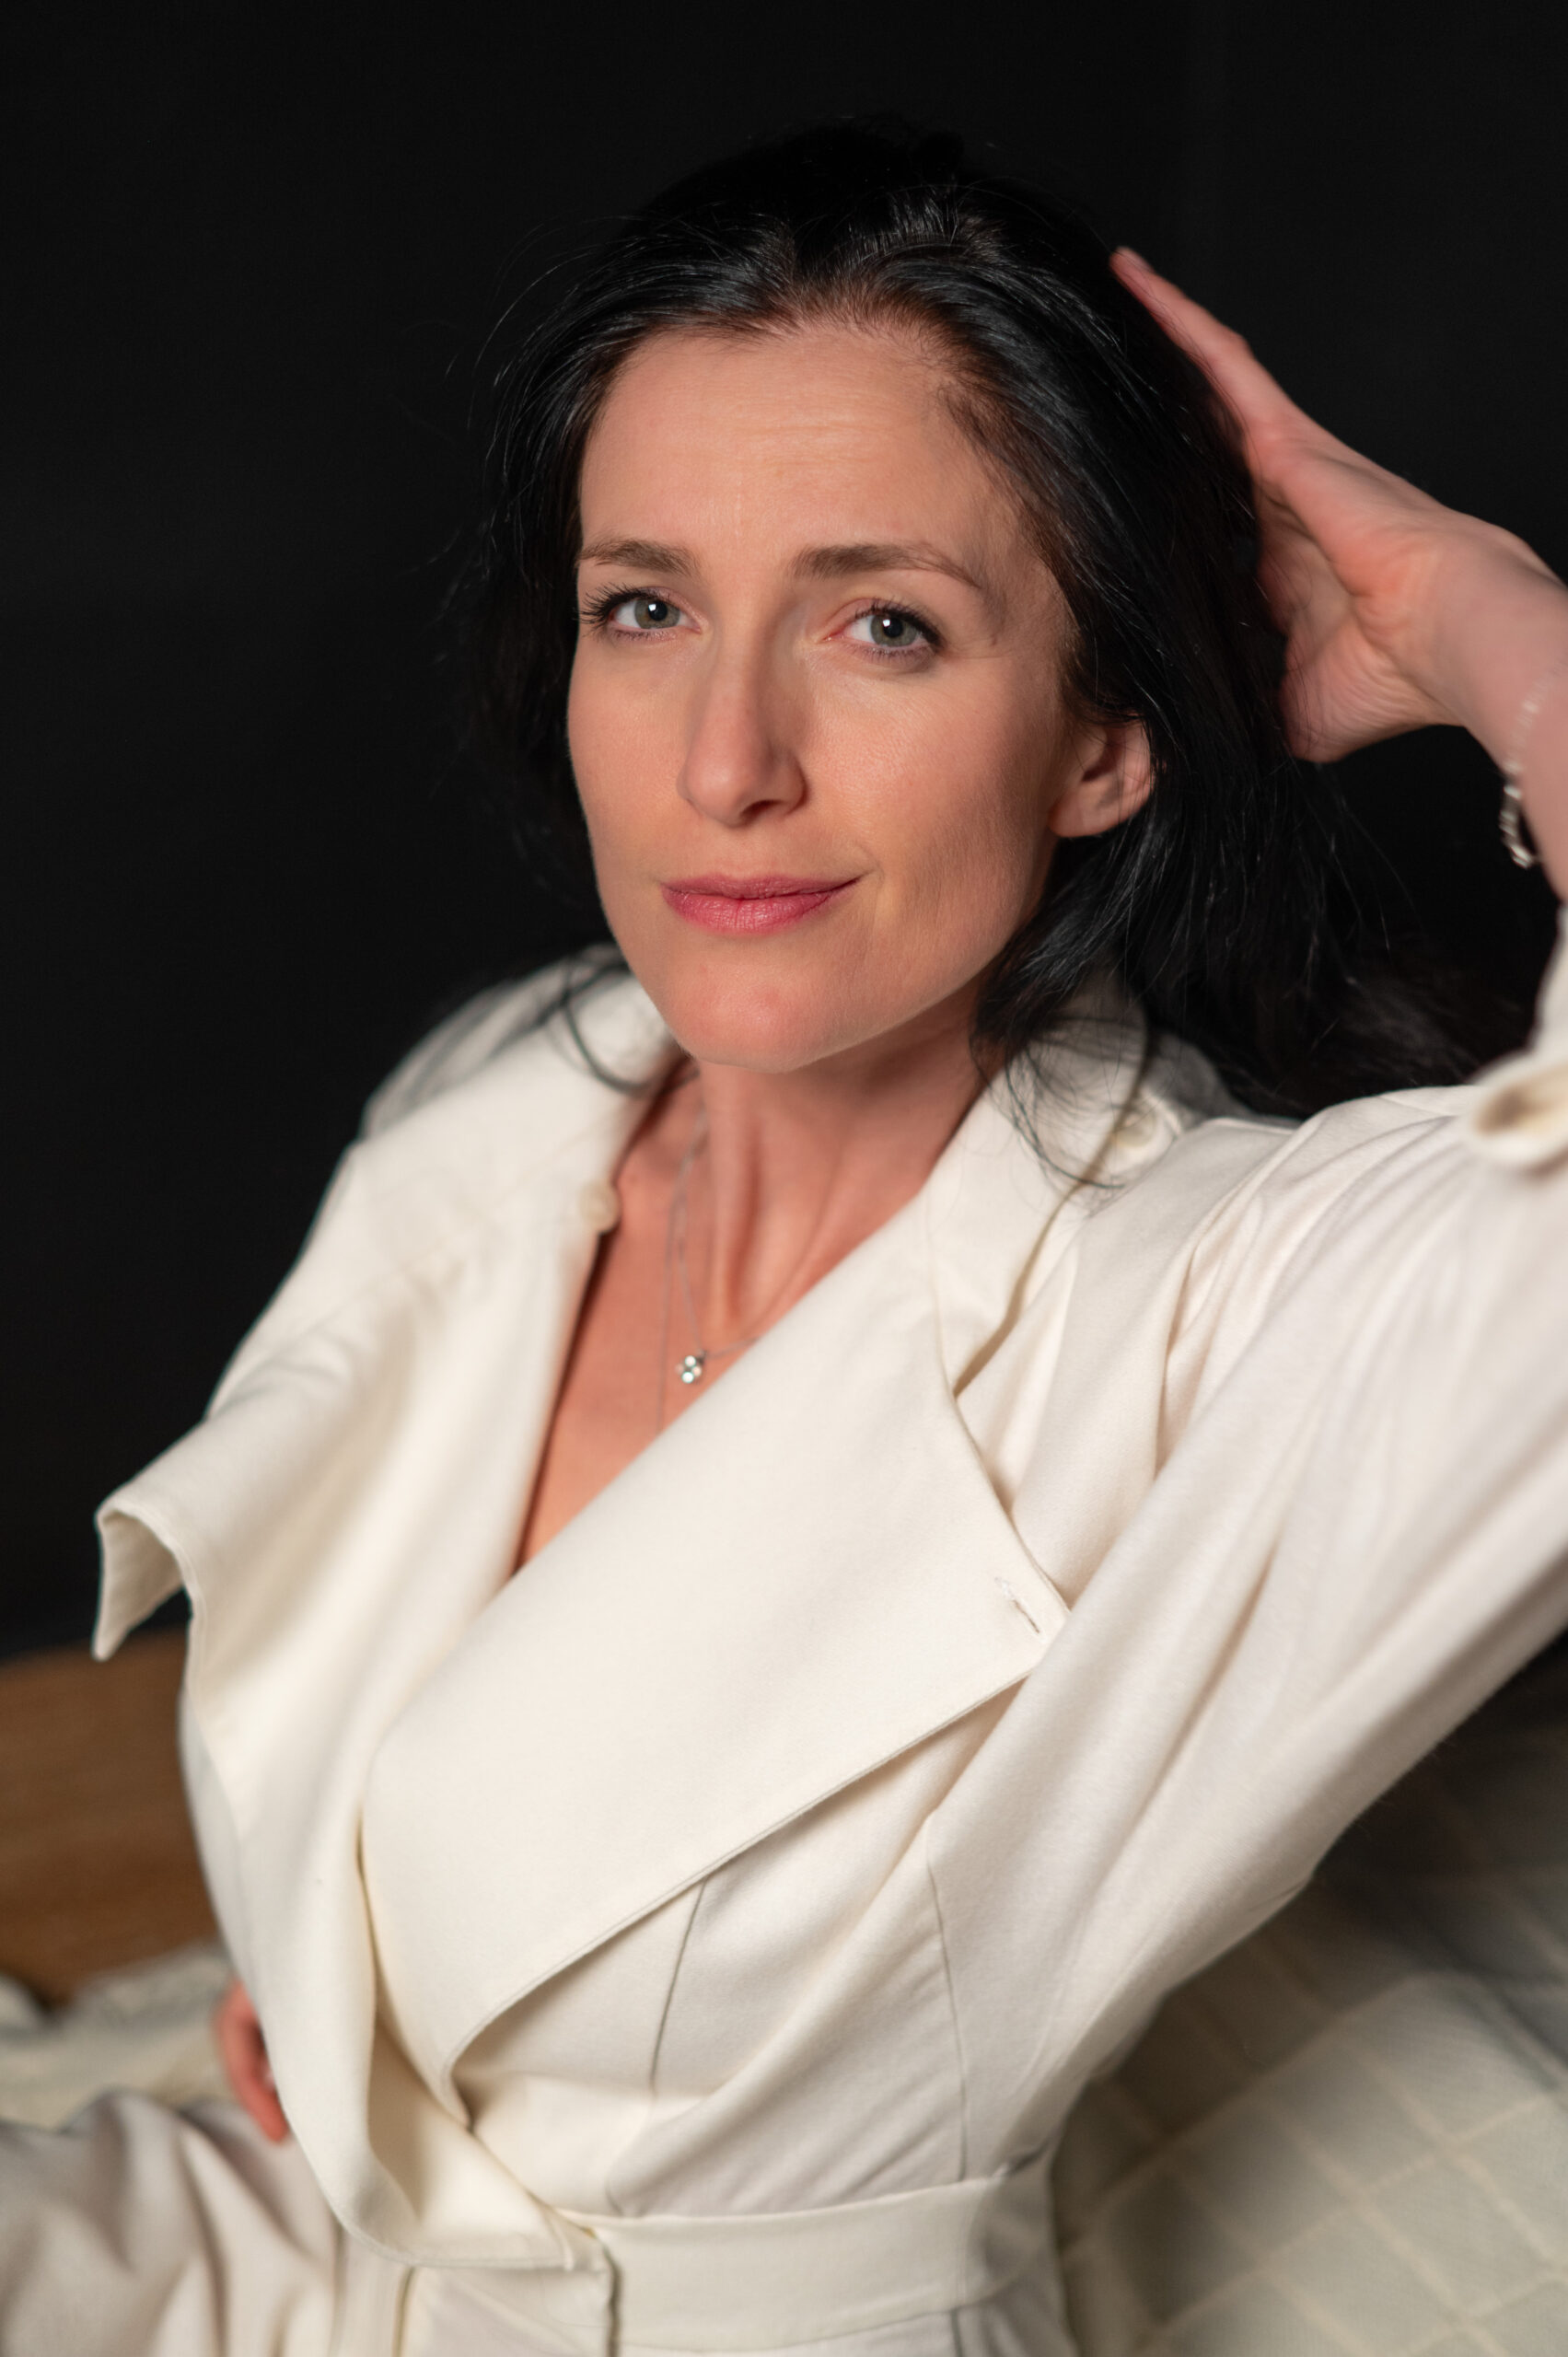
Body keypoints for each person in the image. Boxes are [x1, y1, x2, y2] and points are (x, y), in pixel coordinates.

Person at [3, 120, 1567, 2357]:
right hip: (296, 2236)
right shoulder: (506, 1091)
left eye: (883, 624)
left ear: (1106, 733)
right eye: (646, 607)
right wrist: (352, 1987)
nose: (725, 758)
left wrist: (1485, 620)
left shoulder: (1224, 1304)